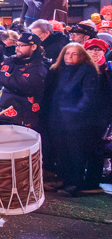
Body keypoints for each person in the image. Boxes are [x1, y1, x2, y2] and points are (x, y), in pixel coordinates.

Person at [41, 43, 104, 196]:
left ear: (81, 55)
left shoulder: (87, 70)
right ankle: (63, 179)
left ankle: (75, 182)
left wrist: (75, 111)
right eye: (67, 53)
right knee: (62, 151)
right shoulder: (58, 70)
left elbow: (88, 95)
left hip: (77, 121)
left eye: (74, 53)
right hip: (58, 119)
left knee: (76, 153)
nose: (70, 56)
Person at [0, 31, 47, 132]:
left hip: (22, 121)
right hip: (0, 115)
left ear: (33, 47)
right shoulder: (9, 60)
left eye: (21, 46)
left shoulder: (39, 68)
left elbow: (23, 86)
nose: (17, 48)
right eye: (16, 45)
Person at [84, 38, 112, 190]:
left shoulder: (108, 70)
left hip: (101, 117)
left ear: (104, 52)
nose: (94, 52)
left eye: (98, 49)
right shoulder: (80, 68)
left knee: (97, 150)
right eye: (91, 49)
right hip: (82, 116)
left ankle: (92, 183)